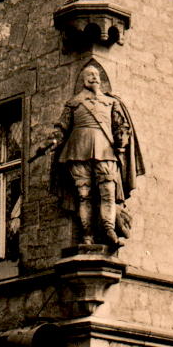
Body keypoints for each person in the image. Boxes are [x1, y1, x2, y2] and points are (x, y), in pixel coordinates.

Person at [45, 65, 144, 247]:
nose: (94, 78)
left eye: (96, 75)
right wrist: (51, 141)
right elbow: (62, 128)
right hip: (78, 151)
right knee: (84, 195)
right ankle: (87, 235)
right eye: (89, 75)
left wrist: (121, 138)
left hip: (105, 150)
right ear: (83, 79)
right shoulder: (74, 103)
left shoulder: (111, 102)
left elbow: (120, 126)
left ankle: (109, 230)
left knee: (108, 193)